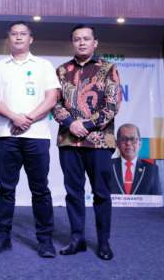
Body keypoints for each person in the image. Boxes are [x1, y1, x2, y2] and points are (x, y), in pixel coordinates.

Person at [0, 22, 60, 258]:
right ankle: (2, 237)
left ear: (31, 39)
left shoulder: (44, 65)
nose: (18, 37)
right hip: (6, 135)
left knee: (40, 190)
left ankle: (45, 240)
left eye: (23, 34)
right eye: (14, 34)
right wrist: (15, 118)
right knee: (6, 189)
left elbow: (52, 98)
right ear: (9, 38)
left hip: (37, 136)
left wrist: (28, 119)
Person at [53, 25, 122, 261]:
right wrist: (71, 123)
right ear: (72, 43)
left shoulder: (108, 69)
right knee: (73, 193)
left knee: (101, 193)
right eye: (77, 39)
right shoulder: (62, 71)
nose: (81, 43)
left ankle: (103, 242)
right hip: (69, 141)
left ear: (95, 42)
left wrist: (87, 125)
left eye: (86, 39)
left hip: (99, 142)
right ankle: (77, 239)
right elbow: (55, 104)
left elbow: (112, 105)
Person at [111, 123, 161, 195]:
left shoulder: (151, 170)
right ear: (117, 143)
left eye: (133, 139)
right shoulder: (107, 166)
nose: (128, 143)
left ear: (140, 143)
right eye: (124, 139)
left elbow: (156, 198)